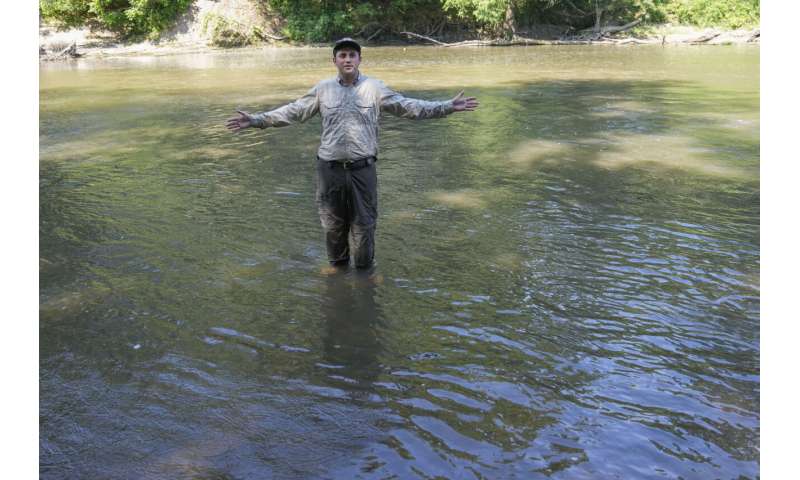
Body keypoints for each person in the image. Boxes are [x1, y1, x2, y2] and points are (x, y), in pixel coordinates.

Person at [226, 38, 479, 271]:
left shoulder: (375, 88)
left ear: (359, 60)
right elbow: (293, 112)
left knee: (365, 224)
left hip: (363, 169)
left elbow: (408, 107)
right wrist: (257, 120)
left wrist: (446, 107)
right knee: (333, 225)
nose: (347, 59)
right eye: (342, 55)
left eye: (352, 55)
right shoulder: (322, 89)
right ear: (334, 61)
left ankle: (365, 273)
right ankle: (336, 270)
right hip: (330, 170)